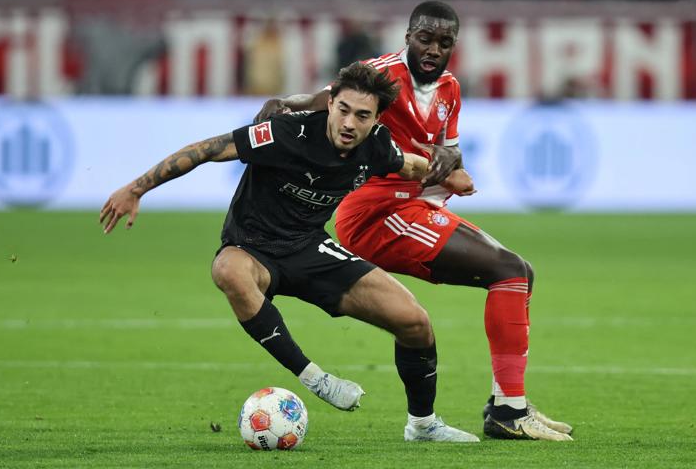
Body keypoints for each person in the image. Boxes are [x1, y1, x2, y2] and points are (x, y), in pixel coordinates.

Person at [100, 62, 479, 443]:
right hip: (252, 248)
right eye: (343, 109)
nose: (349, 123)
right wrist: (136, 188)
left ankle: (423, 424)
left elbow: (409, 165)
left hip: (310, 248)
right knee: (227, 271)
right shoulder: (286, 133)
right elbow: (205, 150)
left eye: (362, 115)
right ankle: (315, 378)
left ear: (377, 119)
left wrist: (446, 174)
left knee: (414, 321)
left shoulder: (377, 144)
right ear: (330, 103)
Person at [254, 1, 574, 441]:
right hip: (376, 213)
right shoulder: (381, 75)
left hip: (416, 208)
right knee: (509, 271)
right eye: (425, 39)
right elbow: (323, 102)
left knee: (520, 275)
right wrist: (282, 103)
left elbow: (451, 149)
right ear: (408, 37)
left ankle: (506, 402)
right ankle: (508, 411)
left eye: (445, 43)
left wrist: (449, 163)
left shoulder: (450, 89)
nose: (433, 49)